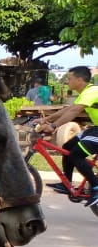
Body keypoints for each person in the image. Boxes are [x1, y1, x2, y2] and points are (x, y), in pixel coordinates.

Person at [37, 65, 98, 208]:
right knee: (67, 147)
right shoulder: (86, 93)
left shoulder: (93, 91)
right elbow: (69, 109)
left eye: (69, 78)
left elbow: (74, 112)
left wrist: (53, 126)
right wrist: (45, 120)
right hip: (96, 128)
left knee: (76, 154)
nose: (67, 82)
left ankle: (96, 188)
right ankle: (67, 183)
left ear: (79, 79)